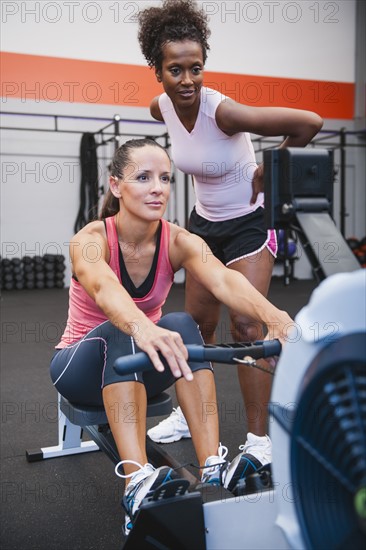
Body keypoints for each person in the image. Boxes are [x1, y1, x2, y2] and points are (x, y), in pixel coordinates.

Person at [50, 138, 293, 536]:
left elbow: (224, 280)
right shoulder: (90, 240)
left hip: (141, 365)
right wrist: (144, 327)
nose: (157, 187)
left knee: (182, 323)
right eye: (143, 177)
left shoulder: (177, 239)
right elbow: (106, 290)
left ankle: (212, 467)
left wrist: (277, 318)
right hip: (78, 369)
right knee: (123, 329)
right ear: (116, 186)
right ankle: (135, 482)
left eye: (165, 178)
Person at [137, 0, 323, 471]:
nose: (186, 80)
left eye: (195, 68)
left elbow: (309, 124)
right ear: (156, 70)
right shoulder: (160, 106)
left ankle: (259, 439)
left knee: (246, 329)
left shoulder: (224, 112)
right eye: (174, 69)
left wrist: (268, 167)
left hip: (247, 225)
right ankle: (186, 414)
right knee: (194, 329)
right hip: (203, 226)